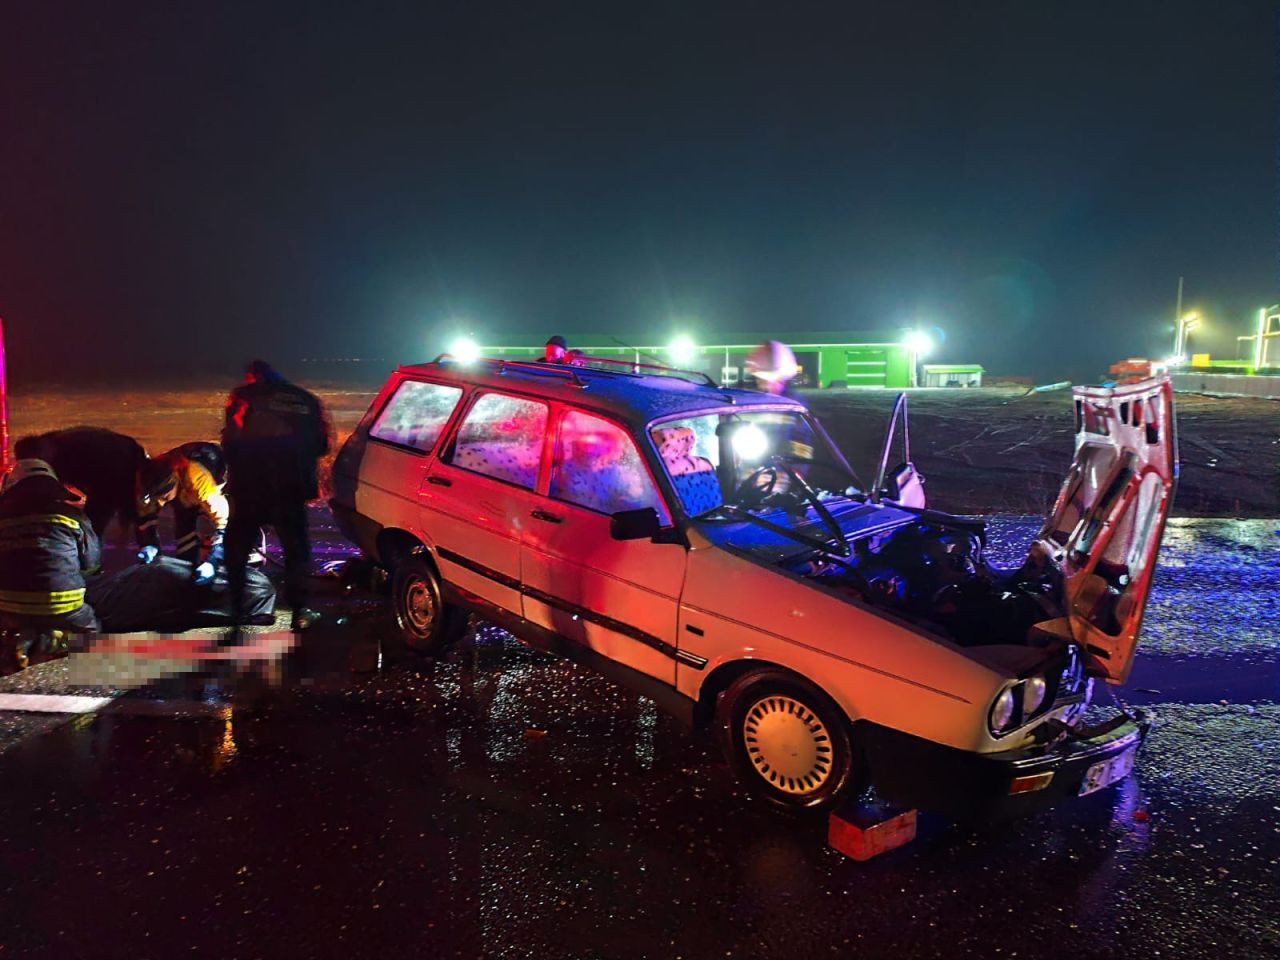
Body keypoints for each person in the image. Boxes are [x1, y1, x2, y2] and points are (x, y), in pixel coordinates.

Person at [222, 360, 330, 632]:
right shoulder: (306, 399)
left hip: (249, 487)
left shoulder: (243, 397)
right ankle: (298, 611)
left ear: (252, 377)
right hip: (290, 489)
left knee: (236, 550)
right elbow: (321, 445)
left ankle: (236, 609)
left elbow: (230, 440)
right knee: (296, 551)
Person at [0, 460, 100, 668]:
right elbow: (92, 562)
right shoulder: (73, 516)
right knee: (90, 628)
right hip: (65, 604)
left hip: (8, 606)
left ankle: (22, 640)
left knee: (17, 621)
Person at [14, 427, 148, 536]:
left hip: (116, 465)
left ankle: (93, 558)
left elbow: (102, 492)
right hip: (118, 458)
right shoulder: (53, 445)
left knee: (95, 523)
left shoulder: (63, 454)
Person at [135, 441, 229, 584]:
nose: (161, 503)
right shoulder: (149, 479)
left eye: (165, 497)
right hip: (183, 479)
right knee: (183, 528)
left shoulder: (199, 483)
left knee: (188, 513)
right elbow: (144, 516)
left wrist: (213, 562)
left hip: (220, 469)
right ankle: (185, 570)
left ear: (176, 482)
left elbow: (224, 525)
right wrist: (148, 544)